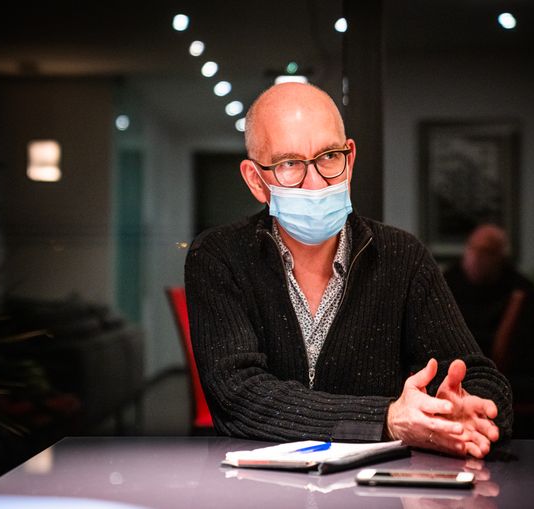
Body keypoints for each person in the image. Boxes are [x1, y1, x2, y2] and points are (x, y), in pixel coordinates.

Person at [185, 82, 512, 458]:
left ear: (350, 158)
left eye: (328, 156)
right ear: (256, 180)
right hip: (254, 485)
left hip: (376, 484)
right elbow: (237, 397)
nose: (315, 183)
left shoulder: (402, 257)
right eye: (289, 164)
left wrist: (464, 411)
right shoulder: (219, 256)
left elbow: (482, 381)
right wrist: (386, 419)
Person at [443, 224, 534, 357]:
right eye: (472, 248)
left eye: (485, 251)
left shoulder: (520, 287)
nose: (476, 256)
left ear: (500, 256)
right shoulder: (447, 281)